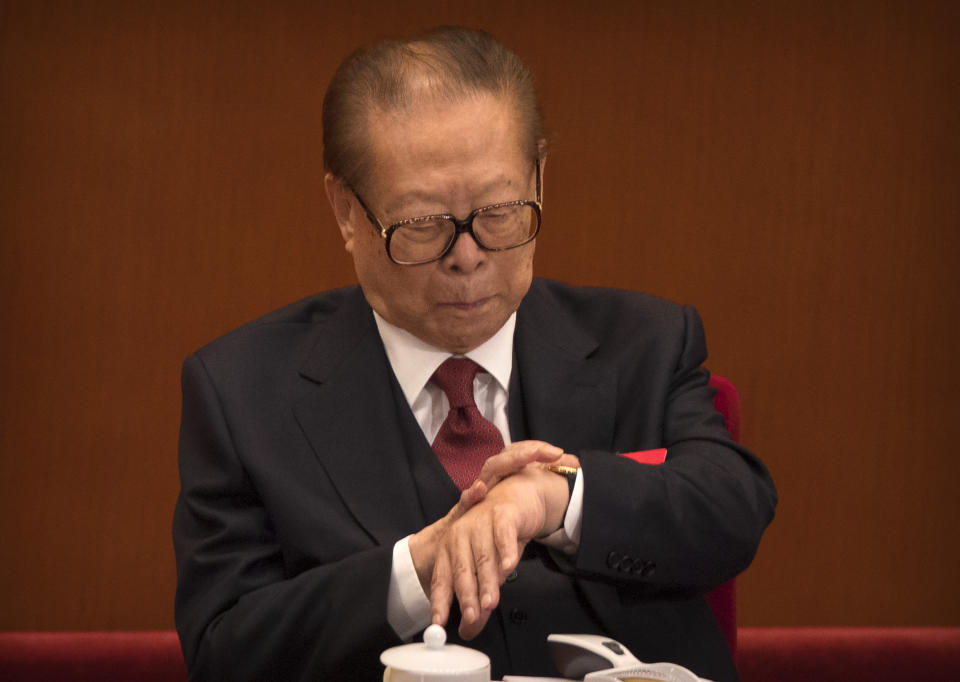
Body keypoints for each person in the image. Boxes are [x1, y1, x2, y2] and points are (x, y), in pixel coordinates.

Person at [173, 26, 776, 682]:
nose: (467, 257)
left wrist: (556, 499)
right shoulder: (243, 391)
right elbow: (226, 649)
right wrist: (420, 563)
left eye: (499, 212)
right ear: (346, 210)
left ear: (540, 178)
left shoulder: (648, 341)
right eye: (423, 225)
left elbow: (730, 507)